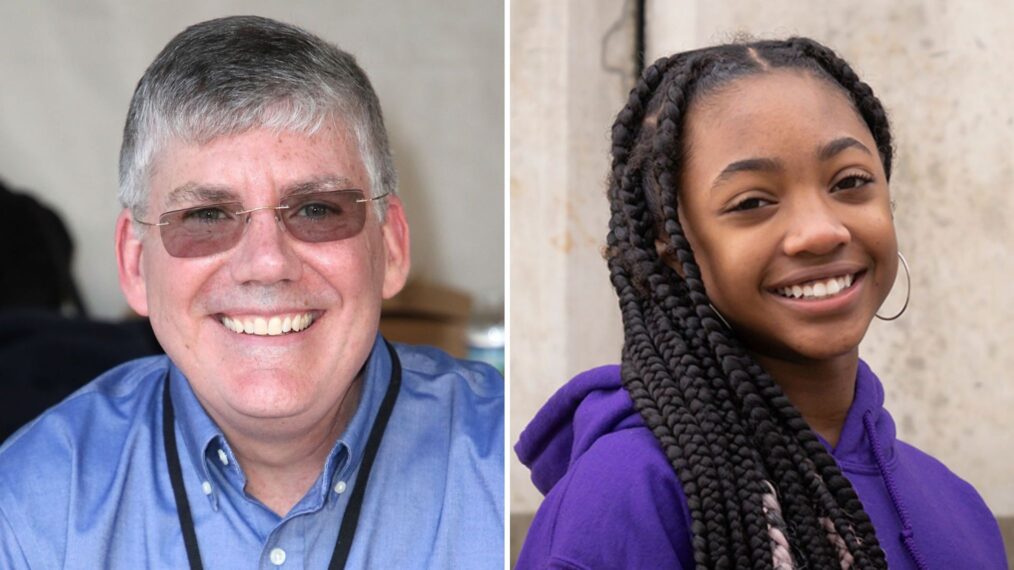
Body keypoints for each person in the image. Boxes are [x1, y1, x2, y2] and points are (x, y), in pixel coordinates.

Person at [0, 15, 503, 569]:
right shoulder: (29, 506)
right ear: (136, 263)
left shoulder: (526, 471)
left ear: (392, 247)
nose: (266, 263)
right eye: (207, 215)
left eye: (316, 210)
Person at [515, 38, 1005, 569]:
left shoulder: (957, 506)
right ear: (672, 247)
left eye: (850, 182)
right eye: (752, 202)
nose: (820, 231)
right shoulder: (626, 494)